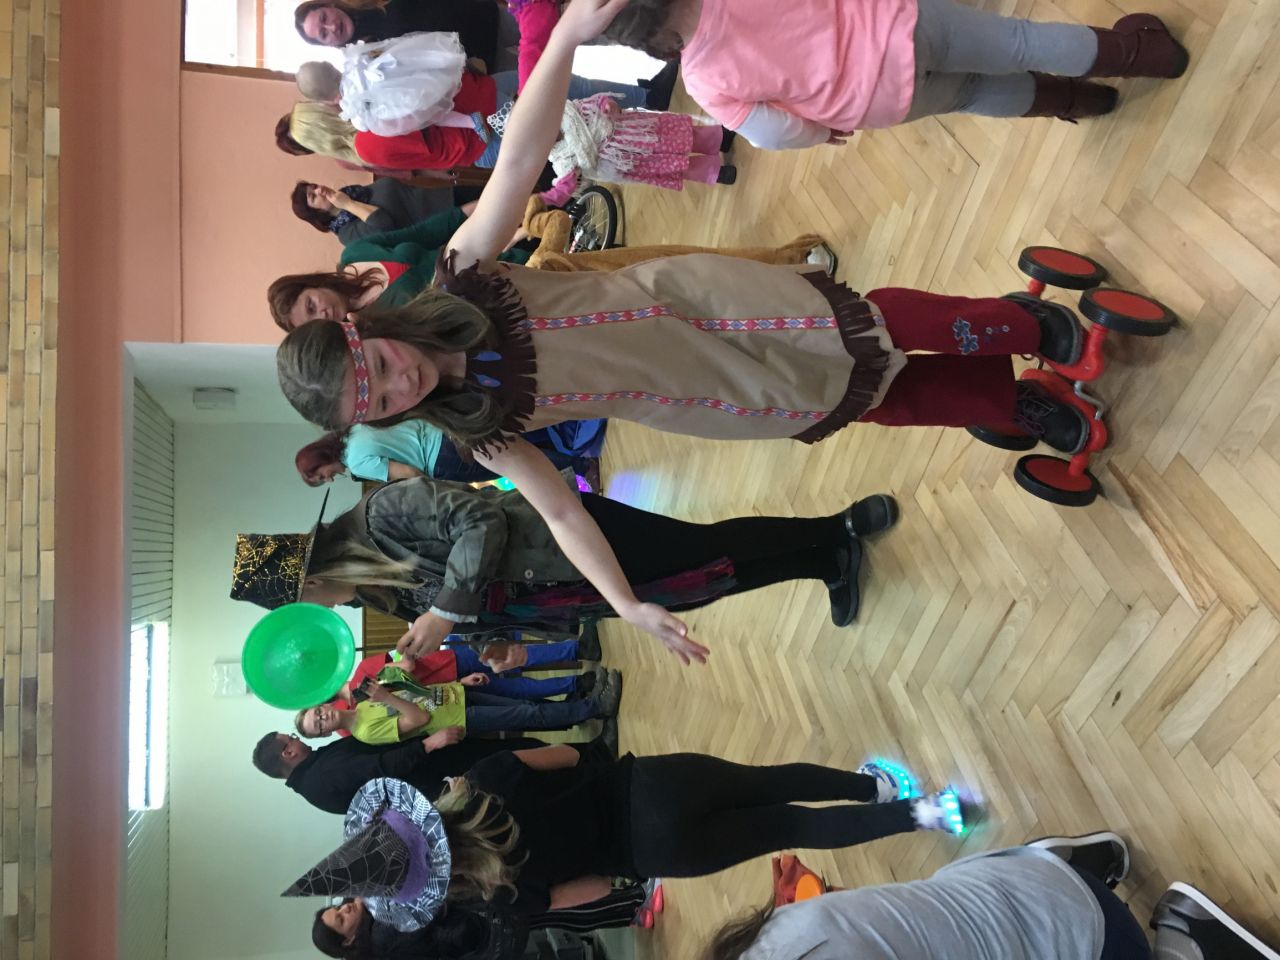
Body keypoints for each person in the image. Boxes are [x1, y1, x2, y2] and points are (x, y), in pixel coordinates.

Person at [274, 0, 1100, 662]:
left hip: (696, 306)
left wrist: (565, 35)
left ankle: (1015, 324)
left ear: (364, 329)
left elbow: (520, 158)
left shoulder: (460, 276)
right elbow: (562, 515)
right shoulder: (480, 432)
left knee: (859, 329)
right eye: (381, 402)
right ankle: (1010, 400)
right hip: (697, 392)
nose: (401, 384)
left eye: (379, 367)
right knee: (853, 397)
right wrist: (627, 603)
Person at [228, 475, 899, 661]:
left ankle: (835, 526)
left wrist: (444, 613)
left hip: (571, 538)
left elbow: (481, 522)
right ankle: (823, 563)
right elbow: (470, 605)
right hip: (564, 591)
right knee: (701, 588)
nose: (322, 612)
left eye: (308, 605)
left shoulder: (382, 512)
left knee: (703, 549)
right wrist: (494, 642)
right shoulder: (374, 596)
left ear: (309, 580)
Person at [282, 753, 967, 928]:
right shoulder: (484, 779)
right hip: (651, 786)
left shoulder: (498, 899)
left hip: (654, 853)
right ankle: (873, 786)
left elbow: (596, 891)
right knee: (770, 781)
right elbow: (565, 757)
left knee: (793, 828)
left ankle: (927, 814)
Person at [599, 0, 1191, 139]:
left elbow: (774, 134)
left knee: (973, 94)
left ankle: (1078, 102)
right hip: (897, 26)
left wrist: (820, 133)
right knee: (1017, 42)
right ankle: (1142, 55)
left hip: (877, 102)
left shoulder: (703, 81)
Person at [703, 833, 1280, 960]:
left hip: (1086, 939)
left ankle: (1189, 939)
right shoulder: (762, 942)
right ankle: (1065, 858)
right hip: (1010, 880)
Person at [293, 657, 622, 742]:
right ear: (324, 734)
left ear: (323, 705)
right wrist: (384, 697)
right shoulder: (365, 731)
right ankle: (596, 706)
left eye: (317, 713)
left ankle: (588, 706)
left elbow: (417, 693)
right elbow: (419, 720)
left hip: (455, 694)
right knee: (529, 715)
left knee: (526, 705)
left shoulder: (363, 705)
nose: (322, 718)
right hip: (461, 719)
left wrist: (457, 682)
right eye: (318, 725)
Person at [250, 727, 551, 813]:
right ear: (288, 753)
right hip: (437, 772)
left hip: (434, 776)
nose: (297, 739)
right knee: (513, 760)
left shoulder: (313, 782)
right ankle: (569, 757)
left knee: (514, 769)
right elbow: (378, 766)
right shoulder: (323, 775)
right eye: (292, 739)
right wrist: (429, 744)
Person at [312, 888, 652, 958]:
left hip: (485, 928)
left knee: (556, 911)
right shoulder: (383, 936)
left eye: (339, 907)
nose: (346, 909)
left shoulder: (378, 927)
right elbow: (430, 915)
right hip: (488, 926)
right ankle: (634, 904)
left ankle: (630, 908)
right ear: (347, 941)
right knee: (556, 908)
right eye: (341, 919)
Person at [324, 639, 604, 723]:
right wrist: (408, 645)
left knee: (518, 692)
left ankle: (578, 684)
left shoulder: (357, 714)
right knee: (514, 656)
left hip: (447, 700)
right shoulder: (363, 672)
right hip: (448, 665)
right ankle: (578, 650)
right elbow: (407, 665)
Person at [294, 0, 502, 70]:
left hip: (486, 13)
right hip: (483, 59)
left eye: (324, 17)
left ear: (329, 5)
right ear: (328, 45)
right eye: (323, 33)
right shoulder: (368, 61)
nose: (331, 26)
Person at [289, 179, 456, 246]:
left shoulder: (354, 192)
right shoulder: (346, 234)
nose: (319, 190)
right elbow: (384, 225)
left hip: (444, 195)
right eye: (313, 196)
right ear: (316, 213)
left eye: (314, 187)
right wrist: (347, 204)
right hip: (442, 222)